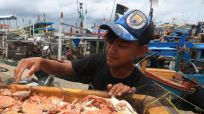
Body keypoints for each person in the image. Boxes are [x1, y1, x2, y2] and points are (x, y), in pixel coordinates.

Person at [14, 9, 154, 97]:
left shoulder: (144, 87)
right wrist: (41, 62)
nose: (111, 50)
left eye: (122, 45)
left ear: (141, 51)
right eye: (110, 41)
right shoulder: (98, 61)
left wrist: (129, 95)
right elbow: (64, 67)